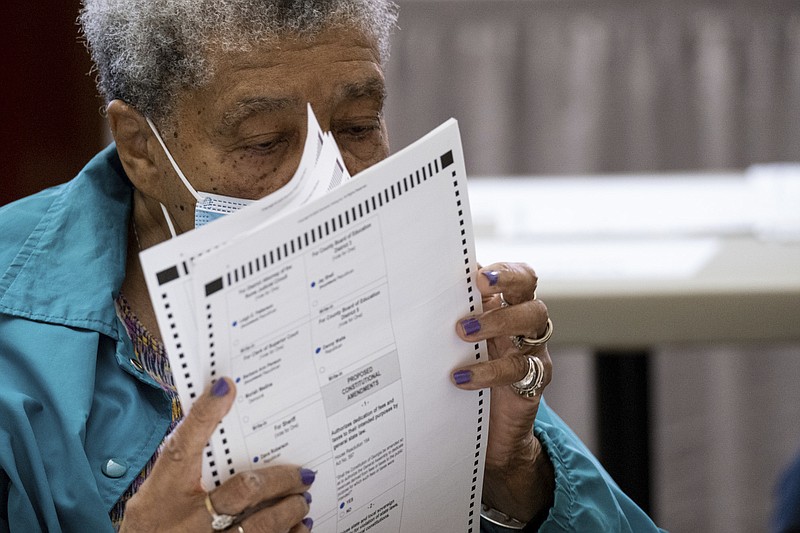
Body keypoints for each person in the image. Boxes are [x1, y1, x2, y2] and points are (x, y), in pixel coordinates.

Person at [0, 1, 663, 531]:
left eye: (356, 126)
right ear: (140, 148)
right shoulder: (15, 333)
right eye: (264, 142)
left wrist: (517, 481)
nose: (331, 181)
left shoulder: (405, 259)